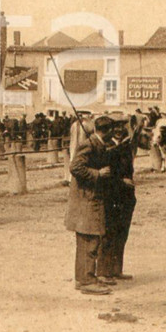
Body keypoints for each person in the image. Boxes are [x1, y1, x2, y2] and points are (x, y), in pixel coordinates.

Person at [66, 115, 116, 295]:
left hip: (90, 198)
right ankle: (86, 281)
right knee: (90, 239)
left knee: (89, 239)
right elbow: (75, 168)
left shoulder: (98, 143)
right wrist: (98, 174)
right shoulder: (89, 144)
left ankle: (84, 278)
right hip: (86, 199)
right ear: (108, 131)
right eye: (113, 131)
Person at [97, 116, 137, 284]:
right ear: (111, 130)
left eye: (122, 126)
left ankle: (116, 269)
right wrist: (121, 182)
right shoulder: (105, 147)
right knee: (108, 234)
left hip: (126, 197)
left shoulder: (127, 146)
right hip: (111, 196)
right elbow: (104, 174)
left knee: (122, 233)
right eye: (116, 127)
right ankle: (104, 272)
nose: (120, 130)